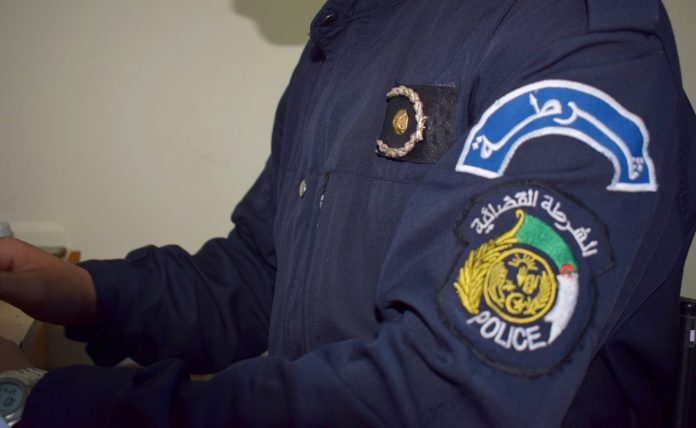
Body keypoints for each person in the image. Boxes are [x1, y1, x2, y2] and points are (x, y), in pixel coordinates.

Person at [1, 0, 695, 426]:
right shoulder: (346, 42)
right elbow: (262, 274)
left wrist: (39, 404)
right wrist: (82, 291)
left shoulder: (570, 33)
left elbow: (441, 401)